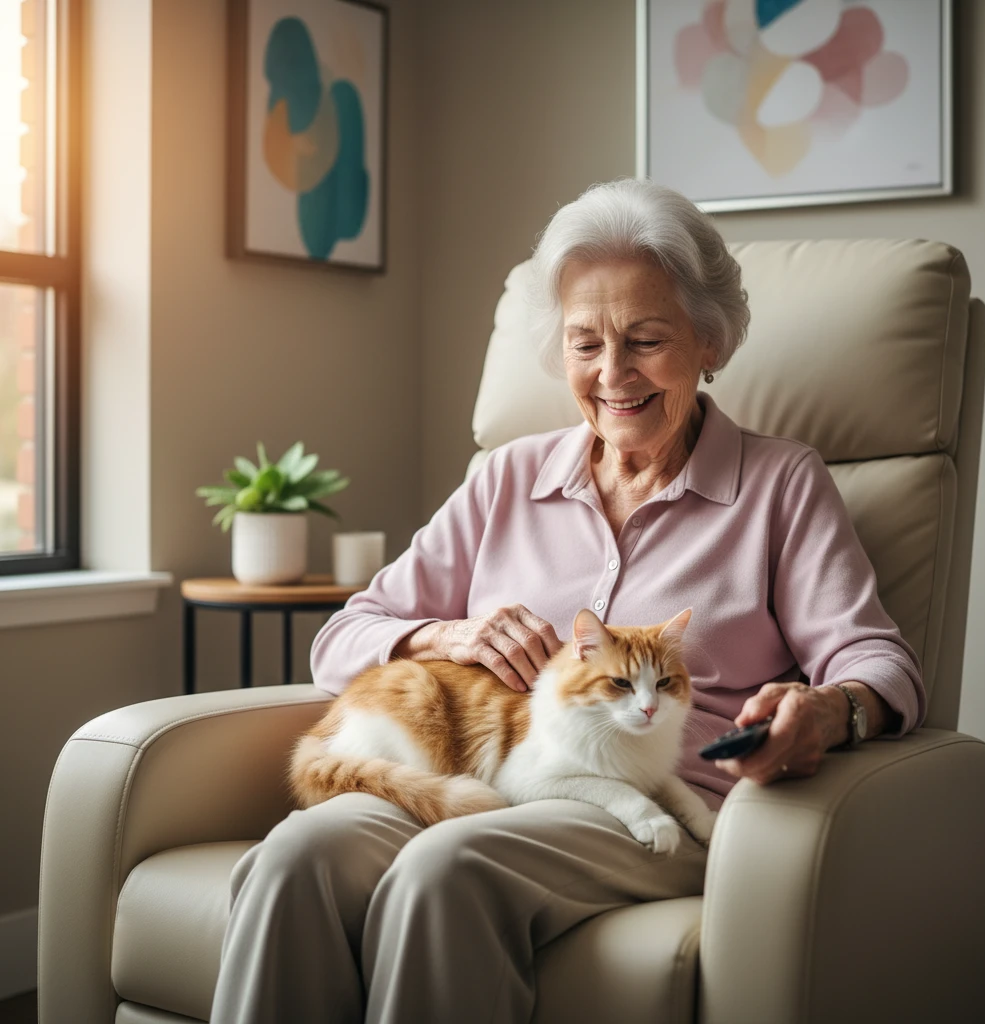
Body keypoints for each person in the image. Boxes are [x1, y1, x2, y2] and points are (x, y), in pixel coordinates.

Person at [209, 179, 924, 1024]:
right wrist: (447, 633)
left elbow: (879, 661)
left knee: (448, 869)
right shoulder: (508, 476)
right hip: (481, 776)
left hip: (656, 805)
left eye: (645, 340)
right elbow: (341, 639)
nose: (612, 375)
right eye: (585, 344)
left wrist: (829, 710)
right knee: (297, 856)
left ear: (709, 342)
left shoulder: (780, 484)